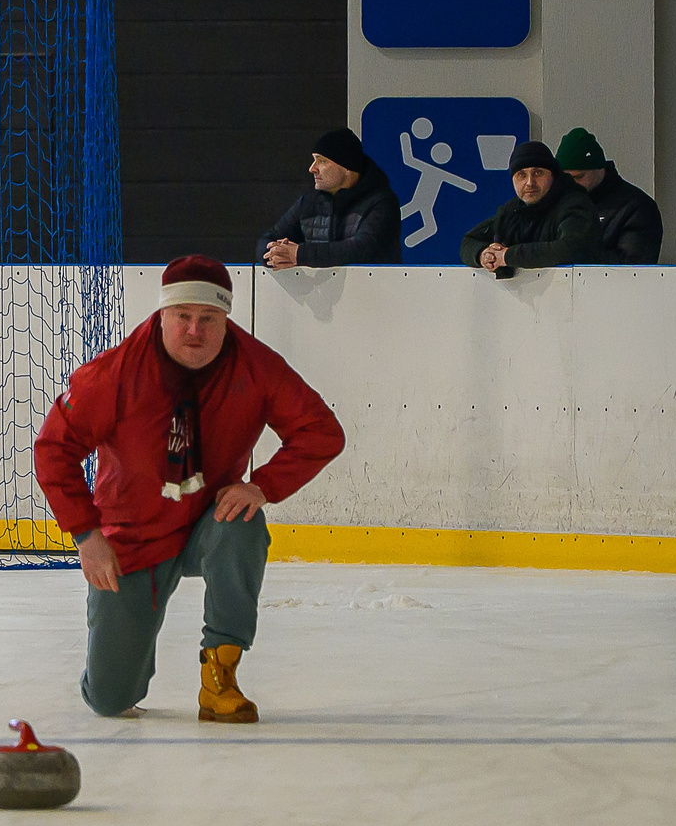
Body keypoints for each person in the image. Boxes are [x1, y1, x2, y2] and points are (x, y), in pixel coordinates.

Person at [34, 256, 345, 723]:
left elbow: (321, 432)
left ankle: (219, 676)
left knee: (243, 525)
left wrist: (261, 486)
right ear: (162, 315)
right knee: (111, 700)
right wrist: (87, 537)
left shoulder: (257, 366)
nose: (194, 330)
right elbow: (53, 449)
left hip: (207, 524)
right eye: (183, 317)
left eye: (209, 318)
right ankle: (111, 666)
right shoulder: (113, 374)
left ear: (227, 319)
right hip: (132, 540)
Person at [259, 127, 403, 269]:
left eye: (322, 161)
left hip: (374, 290)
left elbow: (363, 248)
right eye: (314, 160)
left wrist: (299, 254)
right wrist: (272, 254)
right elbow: (269, 238)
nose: (312, 168)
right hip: (322, 292)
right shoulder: (308, 202)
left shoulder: (382, 202)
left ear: (347, 168)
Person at [460, 141, 603, 276]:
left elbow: (571, 248)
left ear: (553, 175)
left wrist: (507, 256)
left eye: (538, 173)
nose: (530, 183)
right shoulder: (511, 211)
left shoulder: (575, 204)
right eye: (521, 175)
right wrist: (484, 254)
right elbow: (468, 241)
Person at [555, 127, 664, 262]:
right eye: (566, 177)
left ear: (600, 169)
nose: (571, 183)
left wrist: (570, 253)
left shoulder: (637, 207)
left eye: (579, 176)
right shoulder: (559, 202)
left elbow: (634, 267)